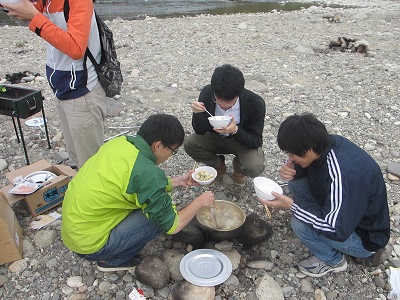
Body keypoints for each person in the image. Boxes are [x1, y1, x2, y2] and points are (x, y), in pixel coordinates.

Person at [61, 114, 215, 272]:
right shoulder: (146, 173)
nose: (170, 156)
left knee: (153, 204)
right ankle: (113, 260)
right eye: (173, 151)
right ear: (159, 145)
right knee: (158, 218)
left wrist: (177, 181)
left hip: (74, 231)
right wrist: (199, 202)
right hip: (90, 247)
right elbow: (173, 226)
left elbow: (132, 183)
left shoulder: (121, 143)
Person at [260, 113, 390, 277]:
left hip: (364, 238)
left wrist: (293, 206)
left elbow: (335, 229)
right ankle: (315, 216)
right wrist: (294, 169)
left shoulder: (342, 175)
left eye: (293, 154)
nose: (289, 158)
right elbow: (314, 169)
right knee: (295, 182)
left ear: (309, 148)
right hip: (348, 215)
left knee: (300, 225)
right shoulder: (325, 143)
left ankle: (333, 261)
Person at [3, 0, 107, 169]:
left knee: (91, 165)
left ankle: (94, 193)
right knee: (75, 155)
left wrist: (35, 17)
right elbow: (23, 15)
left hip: (82, 92)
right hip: (62, 88)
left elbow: (76, 48)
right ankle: (79, 188)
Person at [184, 64, 266, 186]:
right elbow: (200, 130)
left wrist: (236, 131)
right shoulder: (207, 93)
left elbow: (256, 141)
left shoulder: (255, 103)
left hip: (241, 141)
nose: (222, 104)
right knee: (189, 143)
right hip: (215, 137)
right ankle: (218, 165)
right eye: (218, 99)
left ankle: (239, 170)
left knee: (254, 167)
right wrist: (197, 114)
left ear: (238, 94)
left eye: (228, 101)